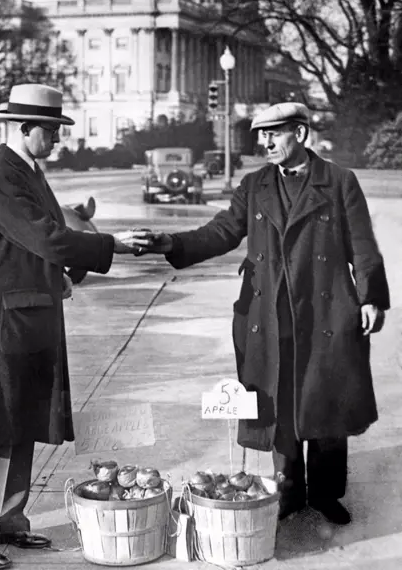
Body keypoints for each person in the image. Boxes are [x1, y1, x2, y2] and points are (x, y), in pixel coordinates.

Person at [133, 102, 390, 526]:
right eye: (261, 135)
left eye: (274, 133)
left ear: (301, 134)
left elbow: (362, 244)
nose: (265, 143)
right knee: (276, 401)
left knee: (326, 400)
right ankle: (288, 490)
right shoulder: (254, 185)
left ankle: (326, 493)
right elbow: (220, 232)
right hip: (268, 314)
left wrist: (370, 297)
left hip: (326, 312)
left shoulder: (339, 181)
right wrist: (168, 242)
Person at [0, 83, 140, 569]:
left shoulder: (27, 171)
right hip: (0, 320)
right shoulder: (0, 176)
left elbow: (30, 247)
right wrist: (112, 245)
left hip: (27, 314)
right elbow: (47, 237)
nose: (56, 139)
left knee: (23, 416)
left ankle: (9, 523)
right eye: (49, 130)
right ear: (22, 128)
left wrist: (57, 279)